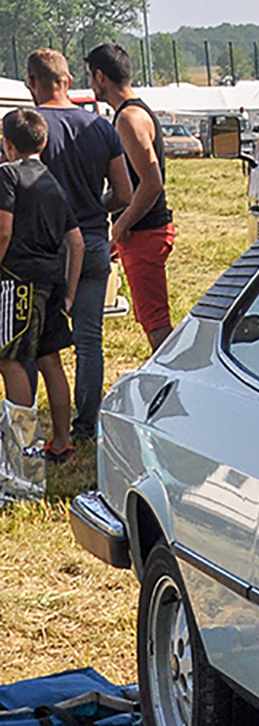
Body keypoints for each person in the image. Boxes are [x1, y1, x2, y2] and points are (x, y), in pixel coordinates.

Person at [27, 48, 131, 442]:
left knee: (36, 342)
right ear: (68, 80)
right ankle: (86, 424)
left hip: (43, 248)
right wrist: (91, 207)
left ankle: (33, 424)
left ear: (33, 83)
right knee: (90, 340)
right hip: (91, 242)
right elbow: (123, 192)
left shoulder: (27, 128)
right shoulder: (101, 128)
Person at [0, 107, 84, 486]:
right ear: (44, 141)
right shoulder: (53, 182)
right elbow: (77, 242)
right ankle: (62, 442)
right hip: (51, 282)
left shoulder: (7, 174)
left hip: (17, 281)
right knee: (50, 361)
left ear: (7, 144)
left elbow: (3, 231)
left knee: (12, 362)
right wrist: (68, 292)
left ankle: (23, 460)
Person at [86, 43, 172, 351]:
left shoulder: (128, 119)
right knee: (149, 316)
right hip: (142, 230)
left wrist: (122, 224)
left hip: (145, 230)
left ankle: (171, 383)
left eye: (90, 77)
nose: (91, 84)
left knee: (155, 321)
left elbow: (151, 183)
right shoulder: (133, 113)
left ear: (100, 76)